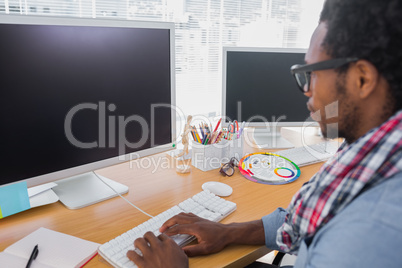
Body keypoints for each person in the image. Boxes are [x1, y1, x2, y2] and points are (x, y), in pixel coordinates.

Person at [127, 0, 402, 267]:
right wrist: (228, 232)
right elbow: (301, 221)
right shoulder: (368, 148)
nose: (306, 90)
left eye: (312, 74)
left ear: (362, 79)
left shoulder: (373, 232)